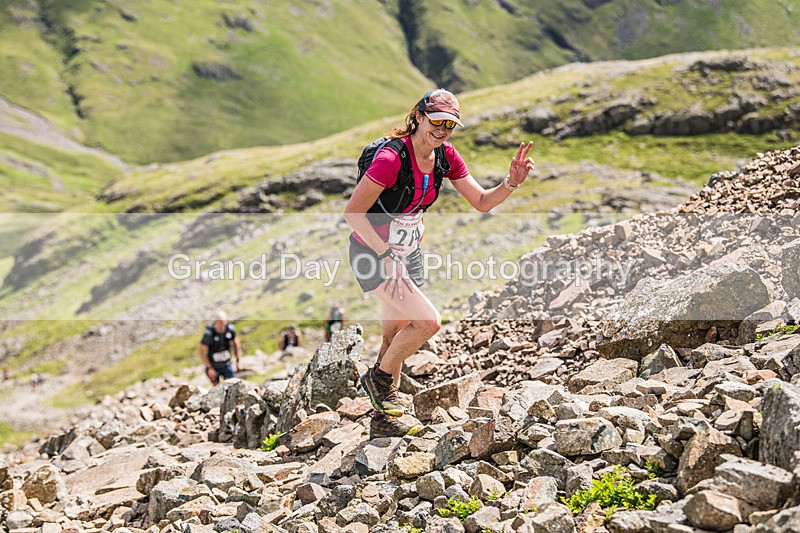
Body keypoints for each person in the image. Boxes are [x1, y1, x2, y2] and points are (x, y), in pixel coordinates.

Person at [344, 88, 535, 439]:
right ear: (418, 117)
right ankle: (379, 380)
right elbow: (353, 213)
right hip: (374, 255)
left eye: (451, 124)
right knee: (428, 322)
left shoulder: (446, 156)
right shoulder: (390, 159)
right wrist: (386, 256)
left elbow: (480, 201)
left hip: (407, 253)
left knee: (394, 336)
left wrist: (512, 183)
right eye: (437, 121)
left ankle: (384, 420)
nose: (444, 129)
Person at [199, 310, 242, 386]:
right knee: (217, 388)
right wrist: (209, 368)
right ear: (215, 322)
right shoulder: (209, 334)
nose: (222, 325)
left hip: (227, 364)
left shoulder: (230, 330)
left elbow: (236, 344)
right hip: (214, 366)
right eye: (220, 322)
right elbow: (202, 351)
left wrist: (237, 361)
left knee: (231, 386)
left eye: (223, 322)